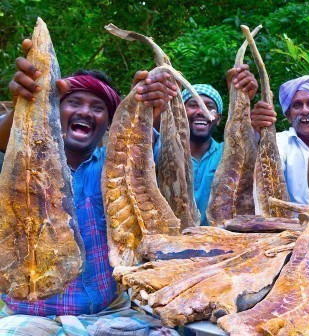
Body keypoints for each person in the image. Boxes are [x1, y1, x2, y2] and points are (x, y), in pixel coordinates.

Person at [1, 38, 179, 335]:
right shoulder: (23, 159)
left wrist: (147, 111)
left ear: (110, 123)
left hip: (107, 314)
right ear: (56, 111)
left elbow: (144, 149)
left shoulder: (116, 167)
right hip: (30, 316)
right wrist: (23, 106)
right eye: (74, 102)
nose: (85, 111)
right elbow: (3, 143)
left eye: (98, 107)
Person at [250, 75, 309, 204]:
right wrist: (252, 130)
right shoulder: (280, 141)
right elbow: (266, 176)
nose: (305, 111)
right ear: (289, 116)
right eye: (297, 105)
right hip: (294, 223)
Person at [181, 65, 258, 224]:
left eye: (209, 107)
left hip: (219, 245)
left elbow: (250, 148)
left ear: (219, 118)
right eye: (193, 105)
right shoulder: (161, 150)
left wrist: (241, 102)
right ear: (179, 113)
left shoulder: (229, 154)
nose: (201, 111)